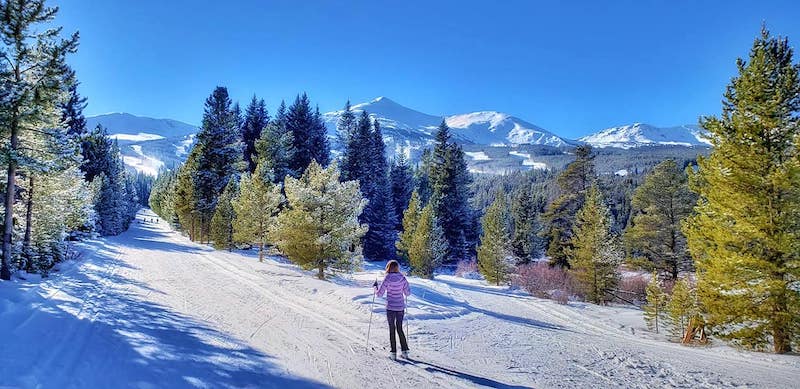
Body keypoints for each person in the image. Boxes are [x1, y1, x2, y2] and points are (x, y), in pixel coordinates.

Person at [374, 260, 411, 360]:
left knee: (392, 329)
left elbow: (379, 294)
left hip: (390, 307)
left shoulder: (387, 278)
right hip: (400, 307)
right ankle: (405, 351)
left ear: (388, 267)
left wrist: (375, 288)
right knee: (399, 328)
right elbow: (407, 293)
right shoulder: (403, 278)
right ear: (397, 268)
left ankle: (393, 353)